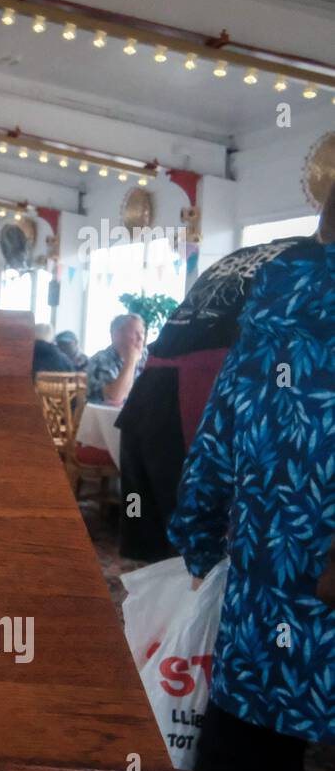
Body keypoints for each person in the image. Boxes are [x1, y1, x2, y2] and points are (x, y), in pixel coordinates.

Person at [168, 206, 335, 771]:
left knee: (243, 765)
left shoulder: (268, 313)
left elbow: (213, 450)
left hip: (269, 586)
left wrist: (199, 541)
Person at [117, 235, 309, 560]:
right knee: (196, 536)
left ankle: (151, 603)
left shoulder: (246, 255)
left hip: (149, 389)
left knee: (149, 529)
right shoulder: (311, 263)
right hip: (198, 387)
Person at [86, 313, 145, 405]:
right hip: (106, 417)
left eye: (142, 333)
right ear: (117, 335)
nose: (141, 338)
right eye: (135, 333)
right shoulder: (100, 360)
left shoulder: (147, 357)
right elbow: (114, 398)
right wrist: (130, 362)